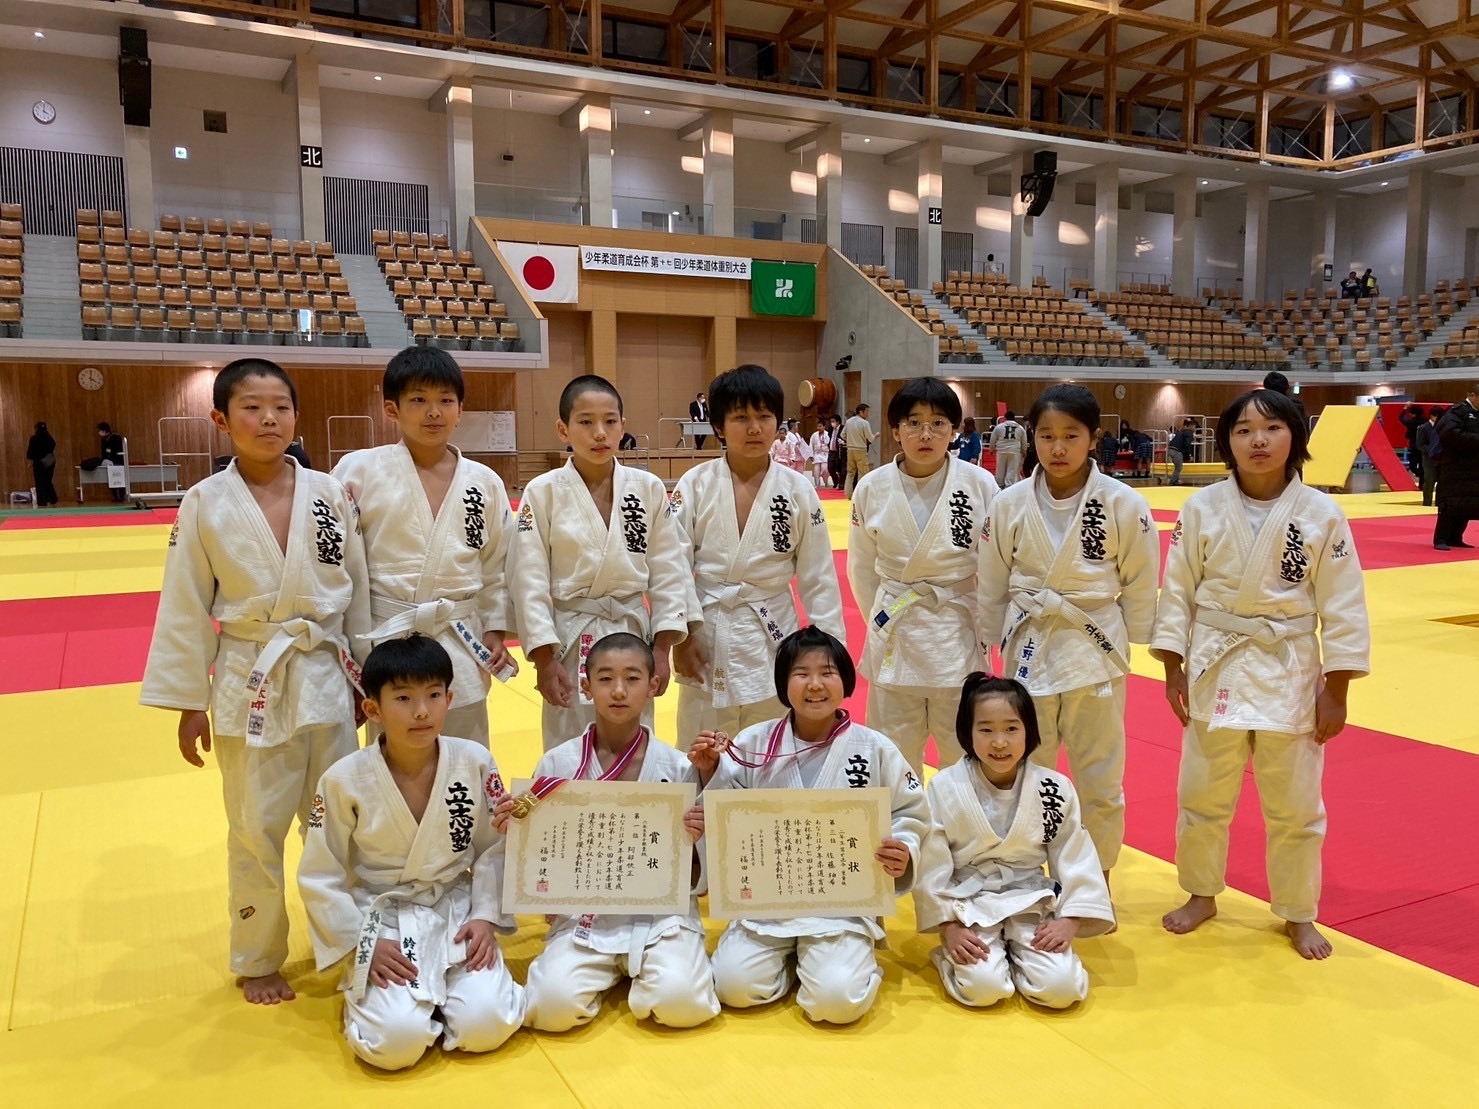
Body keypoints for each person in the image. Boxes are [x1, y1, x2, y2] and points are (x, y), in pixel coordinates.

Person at [139, 357, 370, 1004]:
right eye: (251, 407)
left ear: (296, 416)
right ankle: (259, 954)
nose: (269, 419)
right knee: (253, 825)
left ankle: (348, 942)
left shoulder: (329, 494)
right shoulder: (203, 503)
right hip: (249, 679)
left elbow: (357, 594)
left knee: (340, 820)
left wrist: (368, 675)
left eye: (281, 407)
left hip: (326, 670)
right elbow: (184, 603)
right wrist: (188, 701)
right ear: (220, 419)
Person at [1153, 388, 1370, 960]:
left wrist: (1337, 690)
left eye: (1272, 428)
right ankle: (1202, 893)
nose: (1257, 440)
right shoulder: (1202, 508)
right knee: (1201, 795)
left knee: (1296, 805)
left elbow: (1344, 605)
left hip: (1289, 669)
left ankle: (1298, 912)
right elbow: (1175, 590)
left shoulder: (1322, 514)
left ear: (1295, 437)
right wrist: (1173, 667)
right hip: (1215, 664)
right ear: (1227, 440)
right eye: (1244, 429)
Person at [297, 635, 525, 1070]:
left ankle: (446, 999)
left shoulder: (474, 760)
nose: (421, 711)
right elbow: (319, 872)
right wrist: (360, 943)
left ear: (449, 699)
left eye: (433, 695)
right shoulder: (343, 778)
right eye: (403, 698)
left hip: (457, 908)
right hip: (382, 918)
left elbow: (495, 846)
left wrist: (485, 915)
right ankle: (396, 1005)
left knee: (487, 1025)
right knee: (395, 1045)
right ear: (373, 710)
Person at [689, 626, 929, 1026]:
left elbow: (912, 812)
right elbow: (723, 814)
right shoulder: (753, 743)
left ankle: (837, 966)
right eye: (801, 673)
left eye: (827, 672)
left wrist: (903, 848)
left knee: (837, 1003)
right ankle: (797, 966)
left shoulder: (874, 748)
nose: (815, 684)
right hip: (766, 903)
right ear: (784, 684)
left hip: (841, 906)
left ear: (846, 682)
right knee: (733, 988)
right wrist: (711, 772)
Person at [978, 384, 1160, 887]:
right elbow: (991, 580)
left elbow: (1143, 578)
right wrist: (987, 640)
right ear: (1030, 437)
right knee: (1025, 771)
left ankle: (1096, 879)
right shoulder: (1008, 503)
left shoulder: (1124, 503)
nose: (1058, 448)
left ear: (1093, 439)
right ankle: (1025, 872)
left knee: (1100, 776)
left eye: (1070, 436)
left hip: (1092, 650)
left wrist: (1146, 638)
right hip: (1029, 648)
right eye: (1046, 435)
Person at [498, 633, 719, 1031]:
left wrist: (698, 837)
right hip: (587, 914)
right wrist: (512, 831)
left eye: (632, 679)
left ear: (653, 686)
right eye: (605, 679)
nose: (619, 691)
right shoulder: (558, 762)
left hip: (660, 916)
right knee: (549, 1009)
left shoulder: (678, 767)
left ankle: (645, 972)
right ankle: (614, 971)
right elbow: (538, 858)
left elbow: (696, 877)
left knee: (683, 1004)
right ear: (585, 686)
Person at [333, 347, 518, 749]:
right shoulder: (357, 472)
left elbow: (498, 565)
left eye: (445, 401)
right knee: (390, 761)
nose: (433, 411)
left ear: (459, 410)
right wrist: (346, 645)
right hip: (386, 641)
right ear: (391, 409)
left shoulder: (484, 481)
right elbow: (337, 566)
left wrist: (496, 629)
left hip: (458, 637)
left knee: (466, 757)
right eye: (418, 399)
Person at [510, 375, 690, 750]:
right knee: (570, 744)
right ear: (563, 429)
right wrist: (544, 659)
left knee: (636, 740)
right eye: (586, 421)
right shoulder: (541, 493)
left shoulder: (648, 488)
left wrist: (662, 647)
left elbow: (669, 570)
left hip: (630, 631)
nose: (599, 433)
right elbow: (528, 579)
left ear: (623, 426)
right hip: (570, 638)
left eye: (610, 421)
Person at [670, 364, 845, 747]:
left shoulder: (798, 490)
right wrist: (680, 636)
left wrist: (830, 654)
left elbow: (819, 575)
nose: (754, 428)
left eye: (764, 416)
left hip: (772, 632)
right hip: (707, 630)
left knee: (772, 748)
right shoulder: (694, 485)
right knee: (701, 749)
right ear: (718, 426)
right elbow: (673, 567)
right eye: (741, 417)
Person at [915, 674, 1113, 1009]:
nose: (999, 742)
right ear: (967, 732)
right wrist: (948, 926)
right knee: (983, 990)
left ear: (1029, 731)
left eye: (1011, 728)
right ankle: (955, 957)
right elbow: (932, 862)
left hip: (1031, 898)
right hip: (969, 903)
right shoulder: (945, 786)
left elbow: (1073, 853)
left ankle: (1018, 956)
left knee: (1062, 990)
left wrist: (1069, 919)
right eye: (986, 729)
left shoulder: (1053, 787)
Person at [848, 377, 1000, 775]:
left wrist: (989, 626)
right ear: (896, 431)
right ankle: (901, 836)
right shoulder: (871, 487)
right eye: (913, 423)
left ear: (954, 430)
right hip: (897, 634)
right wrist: (881, 621)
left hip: (958, 633)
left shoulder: (980, 484)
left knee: (964, 757)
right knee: (892, 759)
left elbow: (995, 566)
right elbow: (862, 569)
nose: (925, 434)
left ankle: (961, 834)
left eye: (938, 423)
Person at [1434, 385, 1479, 550]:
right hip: (1454, 467)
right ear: (1472, 395)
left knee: (1467, 503)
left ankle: (1456, 537)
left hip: (1473, 467)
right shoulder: (1456, 411)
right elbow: (1449, 433)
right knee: (1449, 503)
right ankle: (1440, 538)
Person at [844, 403, 877, 495]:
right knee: (862, 473)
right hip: (861, 449)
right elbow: (870, 438)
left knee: (850, 472)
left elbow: (842, 435)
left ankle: (848, 493)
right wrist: (876, 436)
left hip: (850, 449)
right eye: (867, 411)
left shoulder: (848, 421)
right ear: (861, 412)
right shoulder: (865, 423)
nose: (868, 414)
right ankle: (859, 494)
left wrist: (850, 440)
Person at [1416, 406, 1443, 508]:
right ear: (1432, 416)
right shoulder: (1423, 428)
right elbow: (1420, 445)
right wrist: (1433, 450)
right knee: (1429, 482)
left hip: (1441, 459)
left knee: (1442, 483)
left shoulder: (1442, 426)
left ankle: (1439, 504)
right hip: (1429, 460)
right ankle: (1426, 503)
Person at [26, 421, 58, 506]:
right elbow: (53, 445)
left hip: (38, 463)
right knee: (48, 481)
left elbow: (30, 451)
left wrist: (30, 461)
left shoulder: (34, 438)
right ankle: (53, 498)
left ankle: (42, 501)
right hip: (50, 461)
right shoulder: (48, 437)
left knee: (39, 482)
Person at [989, 412, 1025, 487]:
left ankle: (999, 485)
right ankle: (1009, 486)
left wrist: (991, 449)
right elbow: (1024, 441)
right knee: (1012, 470)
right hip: (1015, 451)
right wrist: (1024, 450)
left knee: (1000, 469)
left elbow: (993, 439)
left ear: (1005, 418)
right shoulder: (1020, 428)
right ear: (1014, 418)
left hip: (1002, 451)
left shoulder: (999, 427)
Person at [98, 420, 127, 502]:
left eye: (100, 430)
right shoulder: (103, 440)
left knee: (120, 478)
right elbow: (103, 451)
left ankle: (121, 496)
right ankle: (115, 496)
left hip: (118, 461)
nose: (99, 432)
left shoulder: (116, 437)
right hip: (109, 461)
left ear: (105, 430)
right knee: (111, 479)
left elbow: (118, 450)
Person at [1398, 403, 1426, 479]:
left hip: (1414, 445)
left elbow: (1401, 418)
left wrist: (1405, 408)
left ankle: (1419, 474)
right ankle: (1422, 480)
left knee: (1412, 465)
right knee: (1422, 464)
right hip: (1424, 446)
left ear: (1412, 413)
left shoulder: (1411, 422)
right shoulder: (1425, 421)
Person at [1167, 417, 1197, 486]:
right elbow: (1188, 444)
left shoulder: (1181, 432)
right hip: (1176, 451)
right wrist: (1190, 455)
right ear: (1191, 426)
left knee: (1177, 467)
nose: (1195, 429)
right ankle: (1172, 481)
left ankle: (1176, 480)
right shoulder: (1189, 433)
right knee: (1179, 468)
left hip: (1170, 449)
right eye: (1195, 427)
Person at [809, 420, 831, 488]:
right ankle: (817, 485)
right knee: (816, 471)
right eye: (818, 426)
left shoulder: (828, 434)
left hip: (825, 454)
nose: (819, 427)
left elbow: (830, 445)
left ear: (824, 427)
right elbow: (811, 445)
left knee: (825, 470)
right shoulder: (814, 435)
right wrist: (811, 455)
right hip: (817, 454)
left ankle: (826, 482)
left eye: (820, 426)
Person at [827, 414, 846, 490]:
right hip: (831, 451)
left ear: (838, 422)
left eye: (833, 421)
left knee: (841, 468)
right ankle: (836, 482)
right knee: (830, 468)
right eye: (831, 421)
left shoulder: (843, 428)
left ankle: (841, 484)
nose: (832, 423)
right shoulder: (830, 429)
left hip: (840, 451)